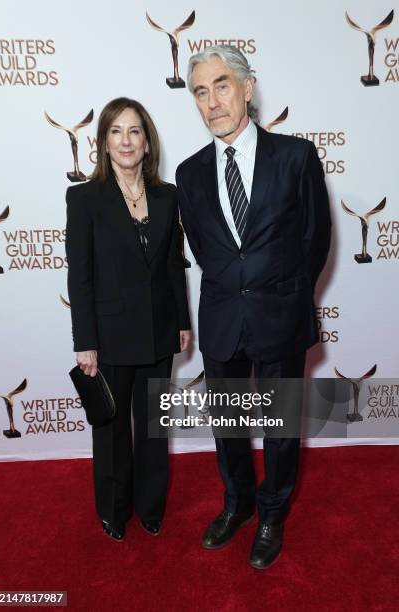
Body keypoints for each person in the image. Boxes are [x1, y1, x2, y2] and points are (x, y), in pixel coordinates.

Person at [176, 46, 331, 569]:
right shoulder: (189, 173)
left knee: (281, 428)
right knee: (229, 425)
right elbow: (204, 247)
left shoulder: (295, 156)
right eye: (201, 90)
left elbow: (315, 238)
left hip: (280, 314)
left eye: (222, 85)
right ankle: (238, 503)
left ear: (247, 87)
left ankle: (271, 513)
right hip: (222, 317)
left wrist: (281, 289)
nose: (212, 101)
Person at [65, 97, 191, 542]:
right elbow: (79, 277)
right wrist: (85, 341)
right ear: (103, 141)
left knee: (154, 428)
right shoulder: (85, 198)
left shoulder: (167, 194)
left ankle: (151, 507)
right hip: (111, 334)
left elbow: (174, 265)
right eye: (115, 131)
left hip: (159, 330)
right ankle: (114, 511)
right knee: (113, 431)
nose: (125, 140)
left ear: (146, 140)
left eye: (134, 130)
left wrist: (182, 320)